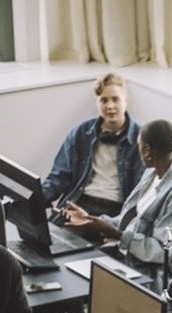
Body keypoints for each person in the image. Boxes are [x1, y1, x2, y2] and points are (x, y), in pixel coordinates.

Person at [60, 119, 172, 287]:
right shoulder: (152, 173)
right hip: (126, 258)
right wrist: (91, 219)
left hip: (150, 279)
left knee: (77, 285)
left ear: (146, 151)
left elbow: (161, 252)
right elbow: (130, 221)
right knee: (69, 270)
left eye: (138, 146)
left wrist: (117, 234)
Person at [43, 72, 143, 221]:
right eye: (104, 100)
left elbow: (142, 193)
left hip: (115, 210)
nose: (110, 106)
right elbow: (58, 178)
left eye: (115, 99)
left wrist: (122, 228)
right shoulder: (80, 133)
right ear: (96, 102)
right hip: (79, 202)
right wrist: (33, 199)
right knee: (50, 240)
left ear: (126, 101)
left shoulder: (141, 139)